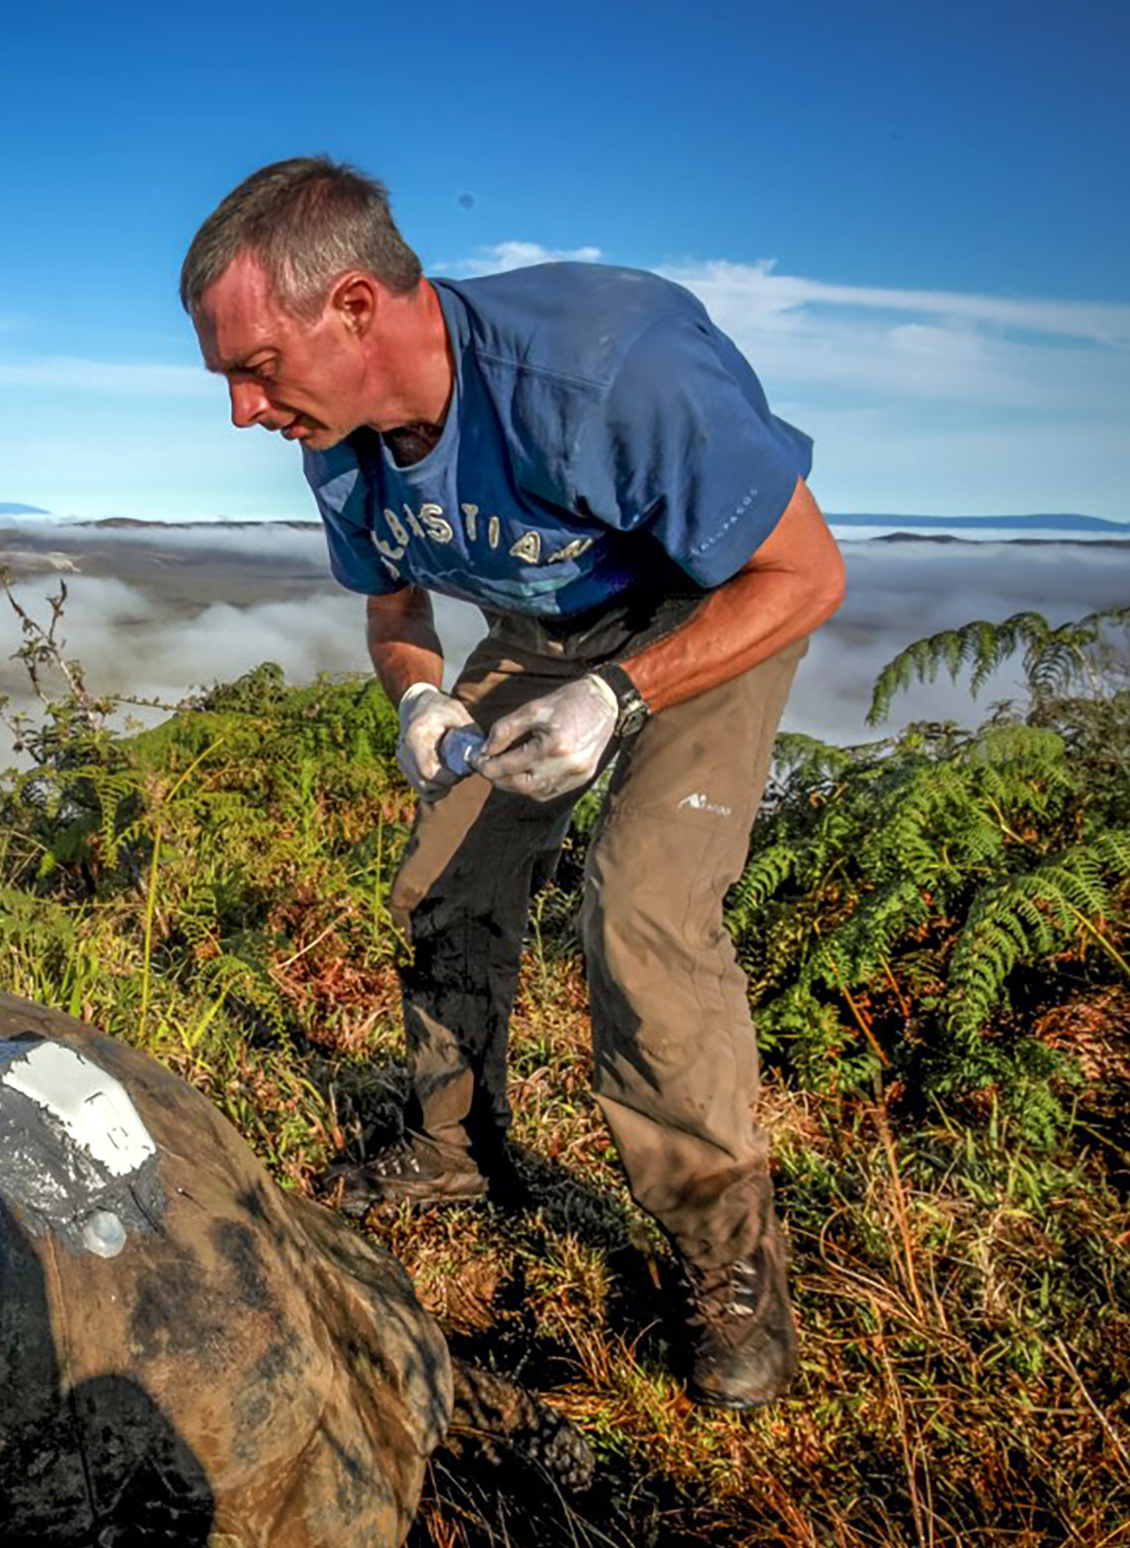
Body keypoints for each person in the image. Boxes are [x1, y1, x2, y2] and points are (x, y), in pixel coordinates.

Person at [180, 158, 845, 1410]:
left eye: (254, 367)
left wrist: (620, 696)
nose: (242, 411)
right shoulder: (335, 437)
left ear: (360, 307)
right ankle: (454, 1146)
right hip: (539, 631)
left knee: (642, 916)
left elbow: (804, 576)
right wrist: (420, 696)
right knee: (442, 880)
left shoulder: (606, 372)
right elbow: (394, 600)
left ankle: (726, 1259)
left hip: (705, 612)